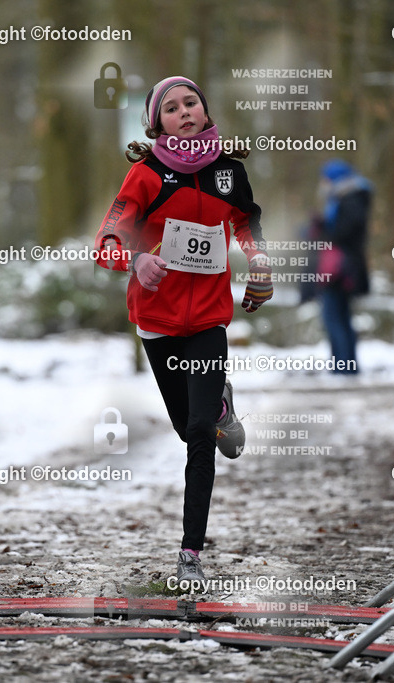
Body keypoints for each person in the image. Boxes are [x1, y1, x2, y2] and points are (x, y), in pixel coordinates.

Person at [94, 76, 272, 584]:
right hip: (157, 323)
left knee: (197, 435)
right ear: (157, 124)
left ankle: (190, 555)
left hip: (210, 319)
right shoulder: (146, 177)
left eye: (191, 102)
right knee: (186, 426)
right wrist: (135, 260)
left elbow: (246, 222)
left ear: (205, 110)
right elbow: (105, 241)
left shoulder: (228, 172)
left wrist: (260, 264)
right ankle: (218, 406)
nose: (184, 111)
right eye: (171, 108)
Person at [305, 159, 372, 374]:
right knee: (340, 317)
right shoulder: (347, 198)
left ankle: (343, 368)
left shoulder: (349, 199)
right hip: (343, 269)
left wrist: (322, 230)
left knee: (335, 318)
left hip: (340, 270)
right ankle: (344, 365)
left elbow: (345, 232)